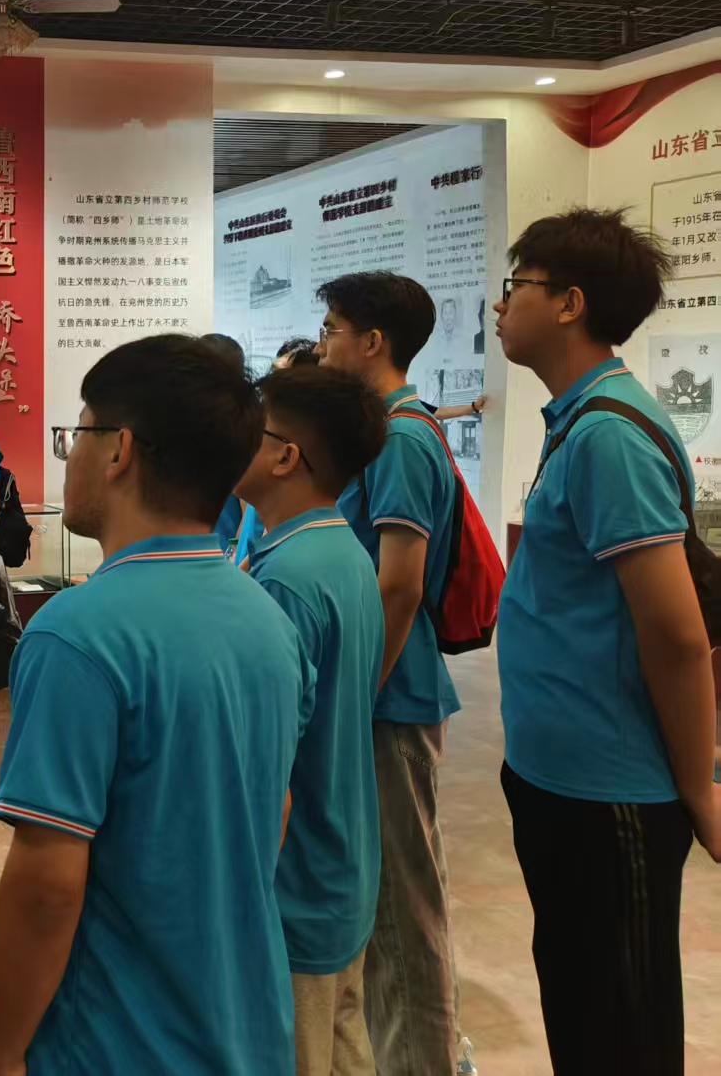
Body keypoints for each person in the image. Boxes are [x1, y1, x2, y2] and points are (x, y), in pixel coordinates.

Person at [0, 335, 311, 1073]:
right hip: (249, 1028)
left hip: (118, 1043)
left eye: (77, 432)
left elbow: (46, 884)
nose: (70, 453)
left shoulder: (74, 634)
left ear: (118, 449)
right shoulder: (268, 618)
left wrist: (0, 1055)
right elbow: (277, 809)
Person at [494, 207, 721, 1072]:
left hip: (608, 791)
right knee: (585, 1004)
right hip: (561, 777)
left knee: (621, 1025)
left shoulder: (609, 437)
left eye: (516, 286)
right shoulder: (582, 419)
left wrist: (698, 786)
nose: (501, 305)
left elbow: (676, 634)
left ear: (569, 303)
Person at [316, 270, 462, 1073]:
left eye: (333, 329)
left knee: (405, 910)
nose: (324, 344)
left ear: (373, 341)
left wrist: (355, 692)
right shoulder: (386, 430)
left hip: (390, 700)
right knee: (386, 903)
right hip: (380, 696)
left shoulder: (402, 437)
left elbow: (399, 583)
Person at [236, 365, 388, 1076]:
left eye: (250, 429)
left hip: (298, 883)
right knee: (344, 1045)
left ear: (284, 456)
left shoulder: (286, 578)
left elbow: (272, 757)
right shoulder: (342, 551)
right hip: (343, 866)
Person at [204, 333, 262, 561]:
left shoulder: (241, 429)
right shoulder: (201, 425)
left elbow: (250, 509)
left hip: (222, 559)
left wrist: (234, 560)